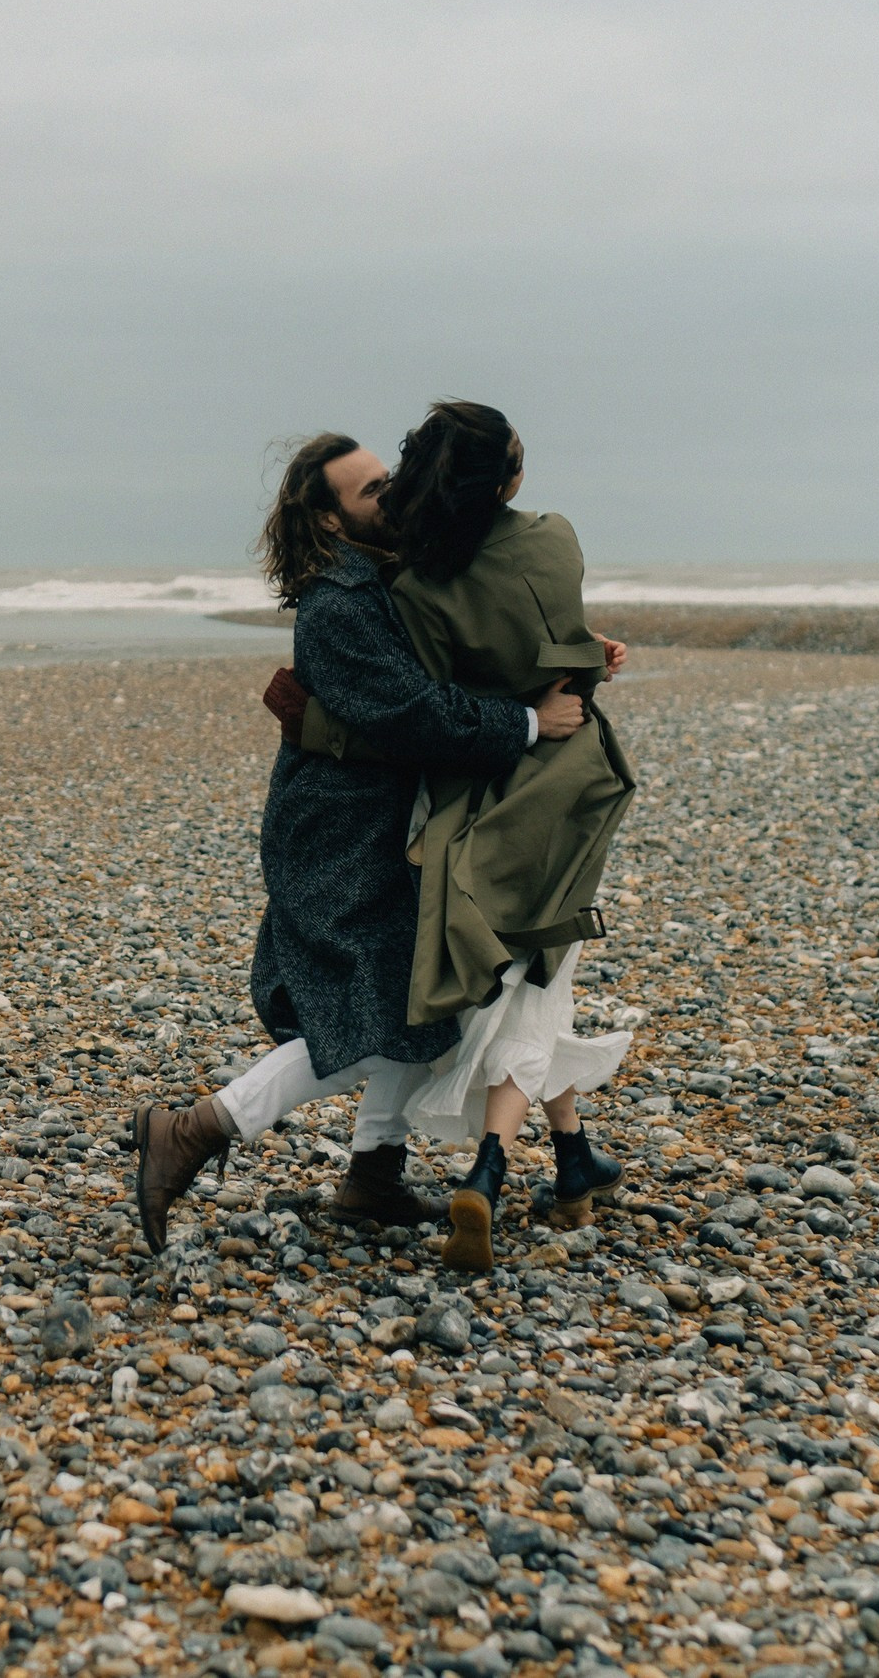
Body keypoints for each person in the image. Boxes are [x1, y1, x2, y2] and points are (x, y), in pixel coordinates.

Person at [132, 433, 612, 1254]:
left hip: (388, 822)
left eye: (391, 485)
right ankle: (196, 1127)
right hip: (341, 832)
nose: (392, 501)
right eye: (371, 493)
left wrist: (573, 660)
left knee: (412, 1001)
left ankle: (373, 1177)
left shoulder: (384, 577)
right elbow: (417, 713)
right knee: (377, 1012)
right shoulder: (340, 605)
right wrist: (532, 721)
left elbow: (457, 666)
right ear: (326, 520)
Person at [382, 400, 639, 1272]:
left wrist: (559, 671)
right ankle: (489, 1172)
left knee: (535, 969)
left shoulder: (415, 587)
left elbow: (440, 699)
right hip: (566, 783)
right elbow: (551, 647)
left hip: (476, 797)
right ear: (509, 479)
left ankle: (572, 1161)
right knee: (537, 971)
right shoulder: (554, 539)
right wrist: (573, 669)